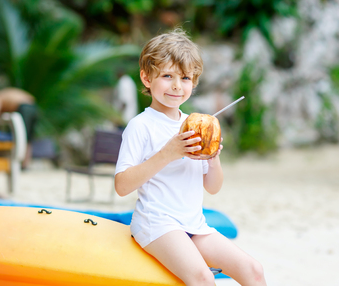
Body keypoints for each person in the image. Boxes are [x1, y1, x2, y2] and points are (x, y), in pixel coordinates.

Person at [114, 29, 267, 286]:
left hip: (194, 224)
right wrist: (168, 153)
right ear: (146, 77)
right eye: (167, 76)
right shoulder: (141, 126)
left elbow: (213, 187)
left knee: (254, 270)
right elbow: (122, 185)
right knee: (203, 279)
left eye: (185, 78)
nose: (176, 85)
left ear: (193, 83)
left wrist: (213, 158)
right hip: (157, 224)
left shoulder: (196, 125)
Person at [0, 87, 38, 169]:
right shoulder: (8, 94)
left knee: (20, 136)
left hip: (24, 107)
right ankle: (25, 164)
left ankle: (18, 162)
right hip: (33, 106)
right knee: (28, 137)